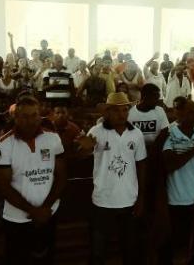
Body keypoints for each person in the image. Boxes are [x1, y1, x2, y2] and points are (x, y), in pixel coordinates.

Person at [0, 96, 66, 264]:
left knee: (46, 257)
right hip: (17, 217)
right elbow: (4, 186)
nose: (31, 120)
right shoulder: (3, 145)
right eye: (25, 116)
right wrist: (33, 211)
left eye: (34, 115)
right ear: (15, 118)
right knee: (18, 258)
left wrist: (45, 208)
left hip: (49, 212)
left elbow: (61, 176)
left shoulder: (52, 138)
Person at [78, 92, 147, 265]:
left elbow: (141, 165)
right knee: (98, 252)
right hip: (102, 201)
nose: (122, 114)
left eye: (125, 110)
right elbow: (82, 154)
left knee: (131, 251)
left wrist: (141, 198)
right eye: (116, 111)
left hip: (129, 200)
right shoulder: (97, 132)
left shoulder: (136, 134)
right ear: (107, 112)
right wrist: (84, 149)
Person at [158, 98, 194, 264]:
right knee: (174, 247)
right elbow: (170, 165)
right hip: (176, 201)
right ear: (180, 115)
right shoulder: (169, 135)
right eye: (191, 113)